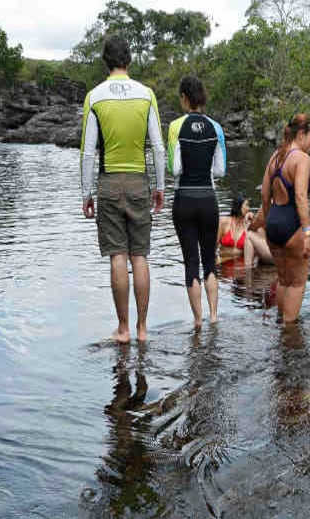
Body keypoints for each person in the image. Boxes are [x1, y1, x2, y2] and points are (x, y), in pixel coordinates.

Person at [80, 34, 165, 343]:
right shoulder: (147, 95)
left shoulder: (95, 96)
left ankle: (124, 328)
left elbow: (88, 152)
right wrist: (160, 186)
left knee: (118, 256)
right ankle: (143, 329)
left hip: (109, 183)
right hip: (140, 181)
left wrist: (86, 193)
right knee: (139, 255)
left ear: (106, 61)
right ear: (129, 60)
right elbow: (157, 147)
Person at [168, 76, 226, 329]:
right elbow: (221, 171)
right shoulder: (217, 128)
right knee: (210, 260)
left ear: (184, 97)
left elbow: (175, 168)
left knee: (191, 262)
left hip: (184, 200)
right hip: (208, 200)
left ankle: (198, 321)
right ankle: (214, 317)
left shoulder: (175, 127)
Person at [261, 113, 310, 323]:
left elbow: (265, 195)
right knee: (297, 283)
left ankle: (282, 328)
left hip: (274, 223)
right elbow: (301, 197)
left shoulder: (276, 156)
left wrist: (267, 224)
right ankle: (290, 335)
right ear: (301, 135)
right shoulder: (301, 158)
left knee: (283, 280)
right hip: (292, 226)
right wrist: (307, 232)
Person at [217, 194, 273, 266]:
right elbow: (213, 247)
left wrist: (237, 252)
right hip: (224, 264)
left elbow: (259, 250)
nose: (248, 208)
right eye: (246, 205)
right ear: (238, 206)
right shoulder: (223, 222)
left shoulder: (250, 224)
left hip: (242, 266)